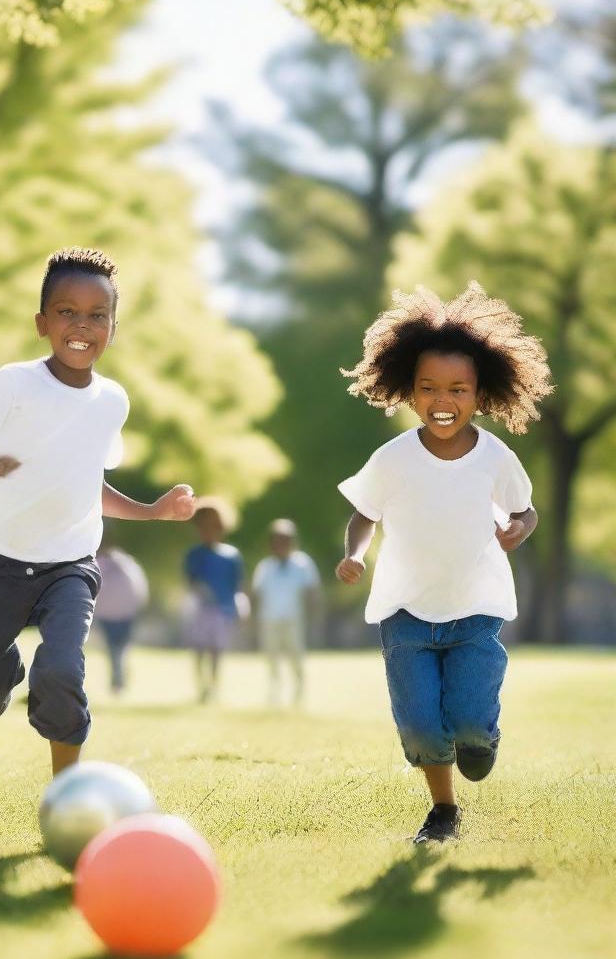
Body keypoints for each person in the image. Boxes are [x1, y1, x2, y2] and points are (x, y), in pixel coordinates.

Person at [0, 247, 195, 787]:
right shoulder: (12, 383)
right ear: (42, 323)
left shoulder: (112, 401)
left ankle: (65, 794)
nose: (82, 325)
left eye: (97, 315)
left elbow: (87, 483)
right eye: (67, 312)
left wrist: (151, 511)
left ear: (113, 328)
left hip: (70, 564)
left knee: (61, 670)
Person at [335, 281, 552, 844]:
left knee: (471, 724)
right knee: (422, 728)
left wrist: (516, 531)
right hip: (405, 613)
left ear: (480, 394)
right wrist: (355, 555)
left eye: (457, 389)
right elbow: (364, 514)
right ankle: (443, 812)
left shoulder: (495, 457)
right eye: (428, 387)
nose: (442, 399)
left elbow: (527, 511)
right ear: (408, 390)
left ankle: (481, 741)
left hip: (475, 612)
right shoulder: (393, 458)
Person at [251, 518, 320, 706]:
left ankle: (299, 694)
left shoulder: (303, 564)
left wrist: (313, 617)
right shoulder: (265, 567)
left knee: (296, 657)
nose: (282, 544)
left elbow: (312, 592)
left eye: (286, 539)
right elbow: (257, 594)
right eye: (278, 540)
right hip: (269, 620)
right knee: (272, 659)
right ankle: (274, 695)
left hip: (293, 620)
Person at [184, 497, 244, 703]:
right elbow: (191, 580)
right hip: (201, 609)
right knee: (199, 649)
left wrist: (239, 607)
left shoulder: (231, 555)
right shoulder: (194, 554)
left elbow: (236, 585)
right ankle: (202, 687)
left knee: (216, 651)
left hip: (223, 610)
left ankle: (214, 686)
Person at [94, 540, 149, 695]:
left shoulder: (104, 563)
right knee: (118, 649)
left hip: (113, 614)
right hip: (122, 613)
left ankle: (118, 679)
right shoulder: (127, 564)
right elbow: (139, 587)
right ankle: (119, 678)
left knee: (115, 649)